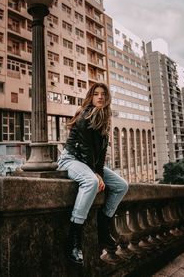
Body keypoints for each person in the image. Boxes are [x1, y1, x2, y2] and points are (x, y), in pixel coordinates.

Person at [57, 82, 128, 265]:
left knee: (121, 186)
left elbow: (102, 152)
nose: (100, 97)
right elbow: (86, 149)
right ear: (91, 96)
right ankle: (74, 240)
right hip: (71, 159)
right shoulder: (84, 116)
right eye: (96, 94)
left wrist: (99, 171)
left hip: (89, 162)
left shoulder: (104, 119)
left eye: (103, 94)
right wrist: (96, 175)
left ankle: (103, 228)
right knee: (91, 182)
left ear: (107, 98)